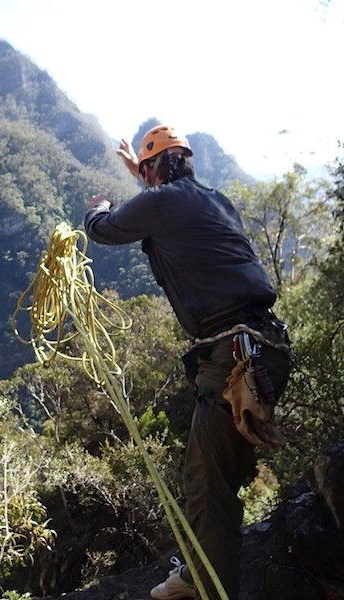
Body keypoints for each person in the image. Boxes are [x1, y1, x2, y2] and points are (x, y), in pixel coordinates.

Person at [84, 125, 291, 600]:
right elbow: (171, 204)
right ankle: (202, 568)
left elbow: (105, 230)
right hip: (266, 349)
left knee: (207, 481)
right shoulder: (213, 199)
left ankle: (206, 584)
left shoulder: (161, 201)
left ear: (154, 168)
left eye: (146, 168)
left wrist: (97, 206)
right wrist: (144, 174)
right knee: (221, 473)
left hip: (232, 355)